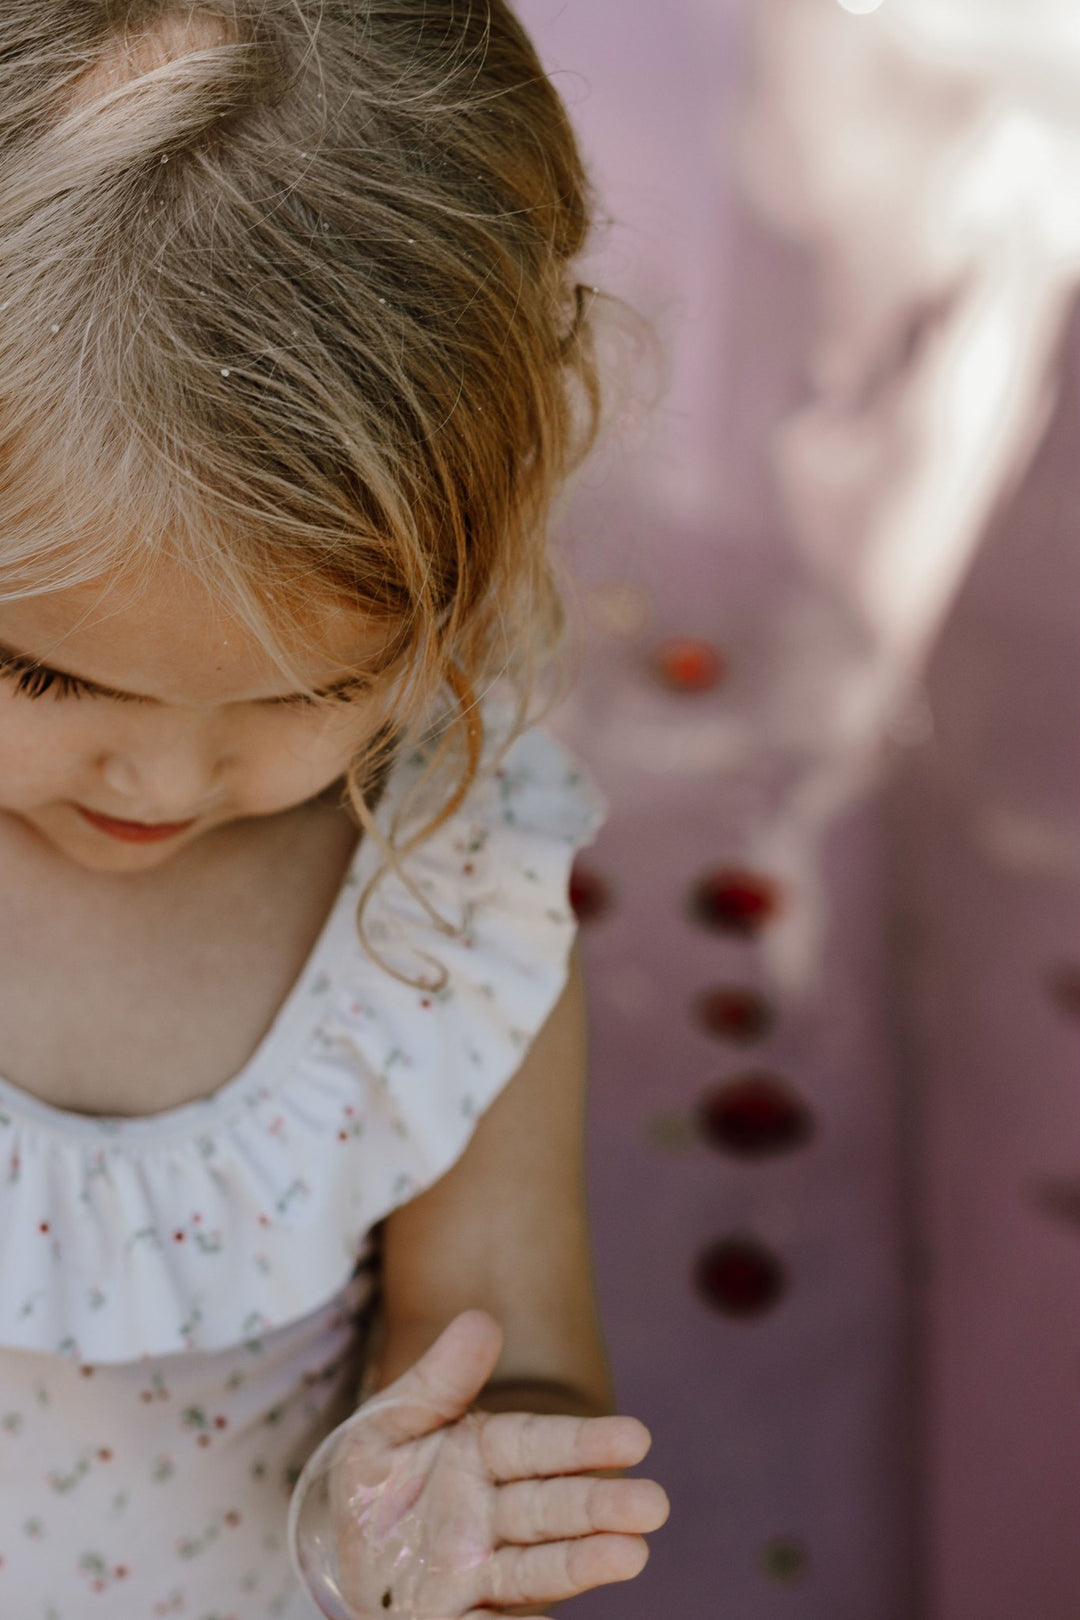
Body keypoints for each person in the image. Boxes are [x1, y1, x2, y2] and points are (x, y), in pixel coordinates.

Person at [0, 1, 671, 1615]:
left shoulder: (439, 910)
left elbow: (516, 1359)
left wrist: (464, 1509)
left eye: (306, 692)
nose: (161, 780)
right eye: (40, 677)